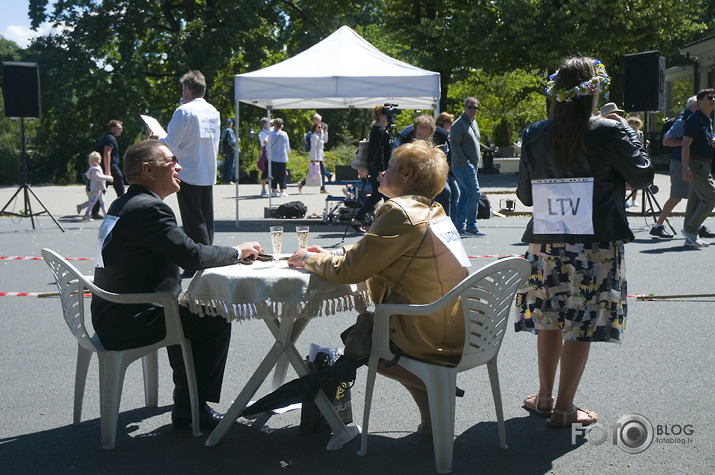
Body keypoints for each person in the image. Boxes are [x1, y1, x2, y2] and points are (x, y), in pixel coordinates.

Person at [288, 141, 470, 435]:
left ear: (406, 175)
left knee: (361, 346)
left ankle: (436, 386)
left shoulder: (398, 211)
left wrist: (308, 259)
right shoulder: (432, 209)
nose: (382, 173)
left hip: (422, 332)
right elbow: (372, 249)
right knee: (368, 338)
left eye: (390, 168)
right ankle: (433, 422)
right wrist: (330, 253)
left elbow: (351, 270)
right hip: (454, 325)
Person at [515, 57, 653, 427]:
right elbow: (642, 177)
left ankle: (545, 398)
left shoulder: (534, 133)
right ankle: (563, 408)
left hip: (546, 244)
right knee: (581, 322)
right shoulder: (611, 131)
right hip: (594, 246)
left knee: (548, 319)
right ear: (594, 92)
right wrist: (630, 136)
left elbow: (525, 196)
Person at [91, 140, 260, 430]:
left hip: (112, 313)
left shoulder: (123, 203)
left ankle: (187, 399)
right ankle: (192, 406)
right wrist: (238, 251)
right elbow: (192, 256)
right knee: (214, 316)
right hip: (132, 319)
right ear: (148, 170)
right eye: (171, 161)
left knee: (186, 309)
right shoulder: (149, 209)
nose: (179, 167)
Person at [158, 70, 221, 265]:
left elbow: (172, 143)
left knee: (193, 218)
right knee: (206, 217)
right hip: (207, 168)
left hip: (188, 169)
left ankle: (201, 260)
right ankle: (208, 252)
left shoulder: (184, 111)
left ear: (187, 89)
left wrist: (156, 139)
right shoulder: (213, 111)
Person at [651, 96, 702, 239]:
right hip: (679, 162)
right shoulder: (682, 121)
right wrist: (685, 143)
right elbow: (666, 141)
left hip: (690, 162)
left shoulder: (697, 120)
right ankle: (657, 226)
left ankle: (698, 226)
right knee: (676, 197)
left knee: (696, 196)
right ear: (693, 107)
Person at [394, 115, 452, 215]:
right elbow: (396, 160)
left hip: (433, 171)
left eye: (426, 136)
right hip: (409, 173)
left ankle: (446, 222)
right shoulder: (404, 137)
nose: (422, 140)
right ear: (414, 132)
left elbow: (444, 162)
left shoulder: (442, 136)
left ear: (432, 133)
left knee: (447, 192)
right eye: (420, 135)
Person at [680, 88, 715, 247]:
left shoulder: (707, 120)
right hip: (697, 165)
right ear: (699, 102)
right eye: (710, 97)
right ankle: (691, 228)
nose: (713, 99)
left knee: (694, 202)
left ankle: (691, 237)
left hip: (705, 164)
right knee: (711, 197)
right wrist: (685, 168)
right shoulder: (694, 119)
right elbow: (685, 145)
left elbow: (704, 139)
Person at [350, 104, 392, 233]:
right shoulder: (379, 131)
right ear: (382, 115)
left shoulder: (378, 129)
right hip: (378, 167)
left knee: (381, 195)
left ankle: (360, 219)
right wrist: (381, 170)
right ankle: (359, 219)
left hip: (377, 167)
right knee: (382, 194)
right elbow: (378, 151)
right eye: (387, 114)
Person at [451, 97, 485, 236]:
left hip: (471, 165)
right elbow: (454, 145)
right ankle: (471, 226)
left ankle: (460, 227)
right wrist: (465, 162)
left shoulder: (474, 123)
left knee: (465, 194)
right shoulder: (459, 125)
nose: (472, 110)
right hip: (462, 166)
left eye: (475, 107)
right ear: (464, 108)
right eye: (470, 107)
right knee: (474, 193)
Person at [91, 119, 125, 219]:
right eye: (119, 128)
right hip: (110, 167)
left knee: (101, 189)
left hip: (105, 166)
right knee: (120, 186)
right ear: (112, 128)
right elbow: (107, 153)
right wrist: (108, 170)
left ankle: (94, 211)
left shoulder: (107, 137)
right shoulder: (110, 138)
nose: (121, 130)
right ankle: (124, 209)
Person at [436, 112, 460, 225]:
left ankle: (453, 220)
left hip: (449, 169)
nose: (451, 124)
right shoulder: (440, 134)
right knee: (451, 192)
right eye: (449, 122)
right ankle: (450, 221)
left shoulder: (446, 134)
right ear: (443, 122)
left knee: (454, 193)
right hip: (444, 169)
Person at [77, 151, 113, 221]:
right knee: (93, 202)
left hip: (98, 188)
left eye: (99, 159)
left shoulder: (97, 167)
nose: (98, 161)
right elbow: (98, 177)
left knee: (102, 202)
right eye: (96, 159)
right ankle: (86, 215)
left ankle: (106, 215)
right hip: (96, 188)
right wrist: (108, 178)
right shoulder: (94, 169)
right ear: (92, 161)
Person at [297, 122, 328, 193]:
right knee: (315, 173)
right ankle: (322, 188)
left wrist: (325, 132)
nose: (320, 129)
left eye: (321, 127)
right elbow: (313, 148)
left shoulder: (320, 136)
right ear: (315, 128)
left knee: (319, 172)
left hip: (320, 157)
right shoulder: (314, 136)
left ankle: (302, 184)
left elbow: (324, 142)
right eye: (318, 127)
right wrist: (314, 159)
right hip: (316, 157)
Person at [268, 118, 290, 197]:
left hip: (273, 156)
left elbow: (268, 145)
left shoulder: (271, 134)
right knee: (282, 174)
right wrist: (288, 151)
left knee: (273, 174)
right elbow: (287, 146)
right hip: (282, 157)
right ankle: (282, 191)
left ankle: (273, 190)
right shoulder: (284, 134)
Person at [220, 118, 237, 184]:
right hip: (231, 149)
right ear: (231, 124)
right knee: (231, 165)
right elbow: (232, 141)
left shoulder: (223, 131)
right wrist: (237, 140)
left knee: (226, 165)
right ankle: (229, 180)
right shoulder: (230, 131)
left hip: (226, 150)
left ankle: (225, 179)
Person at [257, 117, 271, 197]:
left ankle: (273, 188)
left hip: (271, 152)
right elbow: (264, 143)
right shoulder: (262, 133)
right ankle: (263, 189)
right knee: (265, 172)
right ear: (264, 125)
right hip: (266, 152)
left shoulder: (270, 132)